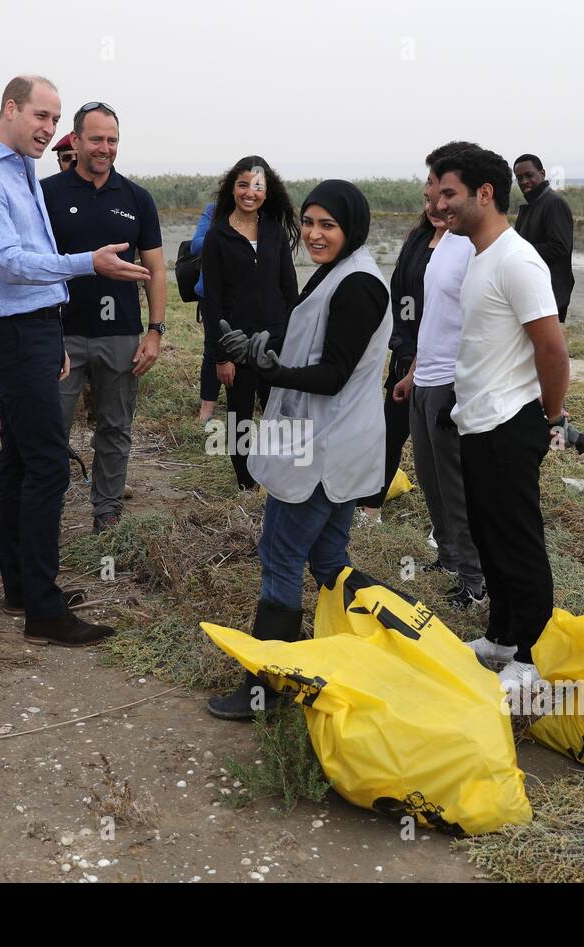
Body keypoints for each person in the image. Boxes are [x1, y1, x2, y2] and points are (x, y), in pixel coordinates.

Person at [0, 75, 149, 647]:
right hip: (13, 331)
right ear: (9, 108)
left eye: (55, 120)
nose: (48, 129)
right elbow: (11, 262)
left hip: (34, 327)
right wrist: (90, 263)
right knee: (47, 466)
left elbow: (31, 261)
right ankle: (44, 607)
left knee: (18, 460)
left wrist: (53, 329)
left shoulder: (17, 169)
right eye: (41, 116)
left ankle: (22, 587)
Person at [207, 180, 391, 720]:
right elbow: (315, 342)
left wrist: (270, 368)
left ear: (350, 227)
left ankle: (265, 690)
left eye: (327, 225)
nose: (313, 233)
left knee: (281, 558)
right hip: (330, 443)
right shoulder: (342, 273)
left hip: (322, 447)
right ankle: (369, 653)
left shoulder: (359, 285)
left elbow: (333, 374)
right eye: (308, 222)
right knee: (330, 560)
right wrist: (264, 345)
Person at [432, 145, 571, 692]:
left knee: (518, 539)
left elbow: (553, 351)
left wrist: (552, 417)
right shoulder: (478, 255)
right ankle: (502, 635)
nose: (440, 204)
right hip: (476, 420)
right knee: (489, 534)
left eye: (449, 193)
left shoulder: (517, 259)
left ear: (483, 194)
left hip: (512, 422)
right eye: (437, 193)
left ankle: (534, 655)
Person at [41, 101, 165, 534]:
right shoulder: (47, 194)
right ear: (74, 141)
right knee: (51, 426)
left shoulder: (136, 199)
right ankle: (47, 507)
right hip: (60, 334)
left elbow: (155, 268)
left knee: (115, 426)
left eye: (112, 140)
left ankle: (107, 510)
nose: (105, 148)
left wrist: (155, 331)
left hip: (121, 335)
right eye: (96, 139)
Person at [391, 142, 487, 612]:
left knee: (456, 487)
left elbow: (481, 326)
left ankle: (475, 581)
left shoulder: (476, 248)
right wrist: (411, 373)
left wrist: (462, 387)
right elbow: (434, 321)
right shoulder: (442, 242)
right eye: (431, 186)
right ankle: (448, 559)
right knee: (429, 481)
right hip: (424, 380)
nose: (430, 194)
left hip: (452, 385)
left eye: (438, 185)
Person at [200, 156, 299, 490]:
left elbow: (289, 290)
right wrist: (221, 356)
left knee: (282, 418)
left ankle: (279, 480)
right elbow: (212, 302)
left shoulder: (274, 232)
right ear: (233, 188)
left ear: (267, 192)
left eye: (257, 186)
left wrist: (291, 338)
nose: (250, 192)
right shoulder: (218, 235)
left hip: (276, 344)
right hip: (237, 347)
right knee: (239, 419)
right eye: (243, 184)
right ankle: (247, 485)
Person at [354, 194, 442, 522]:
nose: (435, 206)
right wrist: (402, 343)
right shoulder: (417, 240)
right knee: (389, 434)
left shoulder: (465, 247)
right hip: (406, 356)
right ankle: (371, 509)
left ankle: (444, 527)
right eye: (428, 199)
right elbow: (400, 294)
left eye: (445, 197)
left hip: (445, 365)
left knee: (438, 448)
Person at [513, 154, 574, 321]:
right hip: (535, 290)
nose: (524, 181)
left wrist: (519, 251)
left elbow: (560, 247)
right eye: (519, 178)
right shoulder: (534, 204)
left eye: (529, 175)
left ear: (542, 173)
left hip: (550, 292)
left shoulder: (554, 203)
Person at [189, 201, 217, 423]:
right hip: (212, 293)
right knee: (213, 349)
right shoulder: (214, 209)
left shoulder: (267, 214)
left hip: (252, 295)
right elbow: (196, 246)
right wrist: (226, 232)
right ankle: (207, 408)